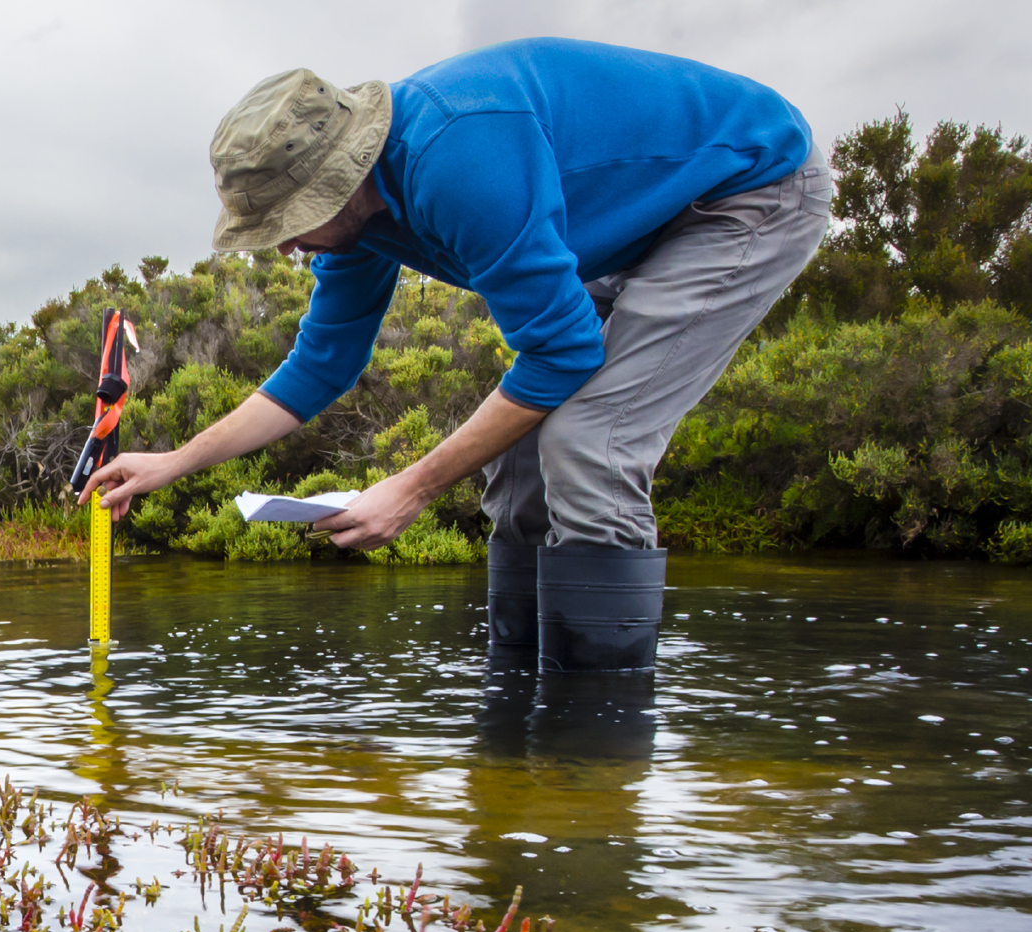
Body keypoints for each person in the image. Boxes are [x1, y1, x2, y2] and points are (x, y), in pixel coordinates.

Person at [81, 38, 830, 671]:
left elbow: (563, 354)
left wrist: (411, 488)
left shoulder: (459, 160)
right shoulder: (360, 223)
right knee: (522, 453)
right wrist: (175, 461)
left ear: (343, 178)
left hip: (745, 192)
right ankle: (515, 716)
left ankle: (593, 750)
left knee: (586, 440)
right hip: (631, 226)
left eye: (293, 218)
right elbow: (321, 366)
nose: (284, 243)